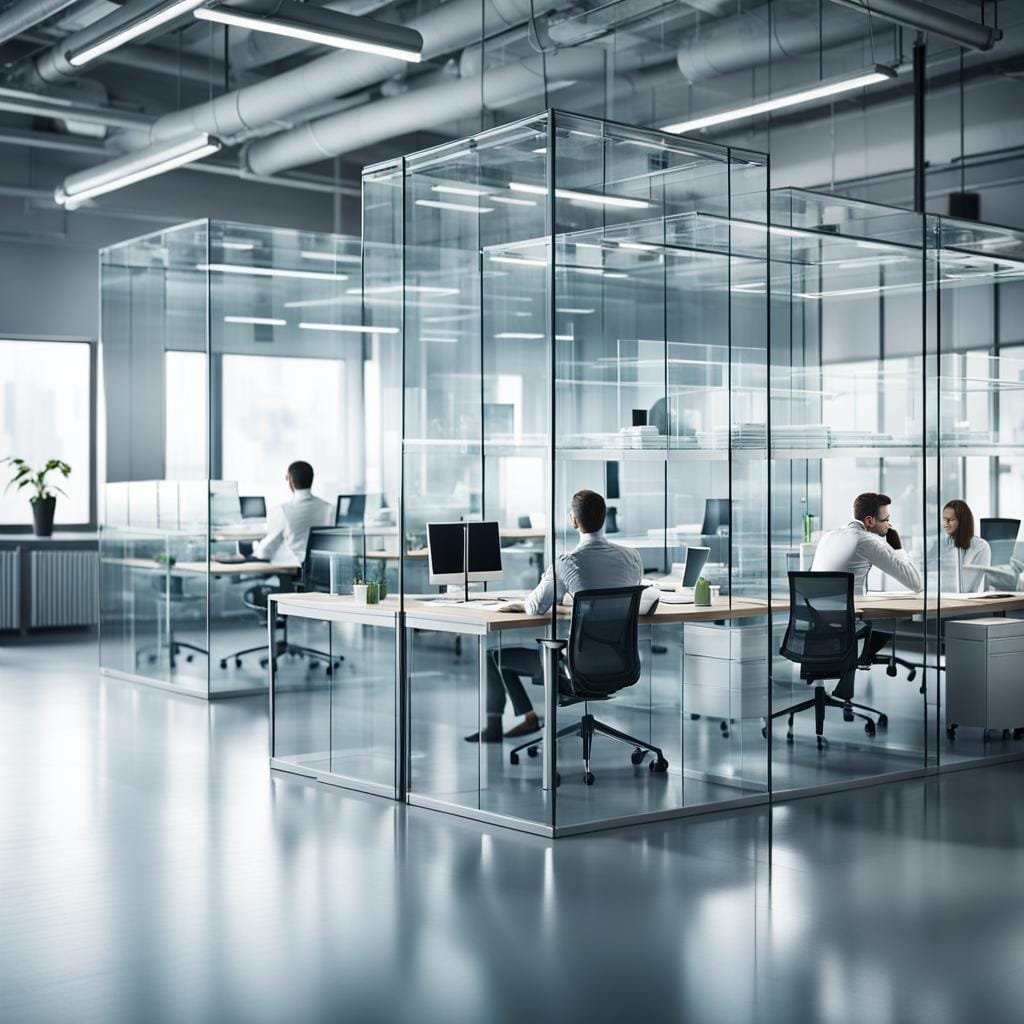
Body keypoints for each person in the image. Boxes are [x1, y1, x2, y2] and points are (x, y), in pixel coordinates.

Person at [465, 489, 644, 743]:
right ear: (605, 518)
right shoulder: (632, 557)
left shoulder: (567, 562)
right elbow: (615, 598)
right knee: (500, 658)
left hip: (576, 668)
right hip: (621, 662)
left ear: (573, 520)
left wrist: (525, 602)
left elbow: (535, 607)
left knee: (495, 657)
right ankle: (527, 719)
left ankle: (506, 724)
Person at [812, 492, 923, 666]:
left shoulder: (828, 536)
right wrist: (898, 548)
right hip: (847, 626)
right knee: (892, 619)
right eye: (886, 520)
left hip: (817, 623)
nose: (889, 525)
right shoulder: (865, 540)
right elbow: (916, 583)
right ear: (870, 521)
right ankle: (857, 659)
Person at [252, 461, 333, 567]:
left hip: (292, 567)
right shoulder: (330, 508)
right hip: (323, 567)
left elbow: (266, 550)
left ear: (290, 480)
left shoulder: (282, 510)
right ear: (312, 479)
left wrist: (252, 553)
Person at [941, 499, 991, 592]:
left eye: (951, 520)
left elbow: (967, 588)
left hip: (968, 602)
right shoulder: (944, 545)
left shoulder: (980, 547)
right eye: (944, 519)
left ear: (962, 521)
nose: (946, 524)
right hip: (945, 599)